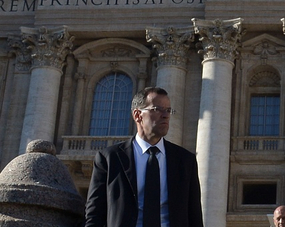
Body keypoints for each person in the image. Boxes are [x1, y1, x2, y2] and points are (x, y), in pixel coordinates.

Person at [84, 87, 203, 227]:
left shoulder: (185, 160)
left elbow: (194, 216)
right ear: (137, 115)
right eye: (157, 109)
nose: (165, 115)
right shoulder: (109, 158)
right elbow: (95, 214)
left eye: (168, 110)